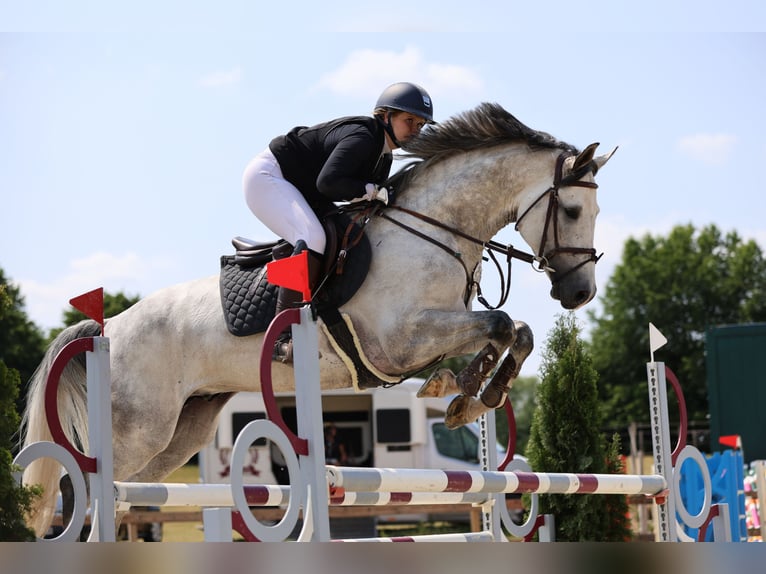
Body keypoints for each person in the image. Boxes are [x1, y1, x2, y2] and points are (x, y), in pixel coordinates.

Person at [242, 82, 435, 363]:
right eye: (410, 121)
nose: (416, 130)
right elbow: (329, 182)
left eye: (421, 125)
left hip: (301, 187)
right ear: (385, 116)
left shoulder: (384, 156)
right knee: (313, 237)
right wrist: (370, 190)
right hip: (270, 177)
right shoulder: (365, 136)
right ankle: (281, 339)